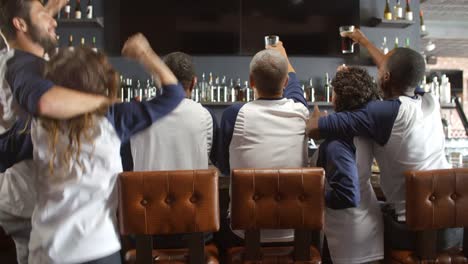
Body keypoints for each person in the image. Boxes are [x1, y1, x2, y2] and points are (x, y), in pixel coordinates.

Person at [25, 34, 185, 263]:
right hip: (97, 248)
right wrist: (145, 54)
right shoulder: (114, 117)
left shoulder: (36, 124)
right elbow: (174, 93)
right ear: (101, 82)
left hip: (46, 251)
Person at [307, 29, 461, 251]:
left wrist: (322, 111)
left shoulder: (386, 113)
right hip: (455, 228)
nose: (379, 72)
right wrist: (364, 42)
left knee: (373, 221)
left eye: (382, 71)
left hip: (413, 231)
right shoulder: (428, 100)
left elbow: (314, 128)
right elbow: (400, 69)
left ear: (386, 76)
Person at [0, 0, 111, 262]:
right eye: (43, 15)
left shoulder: (19, 60)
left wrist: (46, 13)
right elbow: (42, 105)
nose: (54, 22)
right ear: (21, 25)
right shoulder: (22, 67)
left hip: (27, 193)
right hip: (30, 197)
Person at [122, 51, 218, 248]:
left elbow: (126, 167)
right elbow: (215, 160)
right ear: (194, 83)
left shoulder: (136, 115)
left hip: (146, 231)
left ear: (158, 81)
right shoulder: (204, 116)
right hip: (193, 230)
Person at [218, 41, 309, 246]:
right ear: (285, 83)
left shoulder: (234, 114)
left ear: (251, 81)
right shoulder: (300, 112)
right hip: (296, 232)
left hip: (244, 234)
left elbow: (224, 168)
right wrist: (284, 56)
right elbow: (295, 89)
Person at [317, 66, 384, 263]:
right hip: (367, 229)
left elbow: (346, 194)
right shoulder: (365, 131)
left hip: (347, 238)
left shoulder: (337, 142)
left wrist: (315, 194)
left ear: (336, 99)